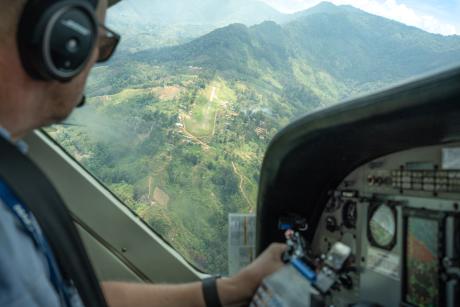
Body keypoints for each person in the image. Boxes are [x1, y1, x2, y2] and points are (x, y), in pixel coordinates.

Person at [0, 0, 286, 306]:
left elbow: (77, 298)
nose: (98, 58)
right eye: (101, 42)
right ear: (65, 39)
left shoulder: (11, 166)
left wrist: (231, 288)